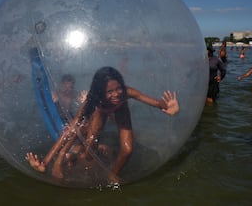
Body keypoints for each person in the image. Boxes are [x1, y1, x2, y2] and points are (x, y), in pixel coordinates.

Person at [26, 66, 179, 184]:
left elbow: (148, 99)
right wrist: (46, 162)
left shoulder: (126, 92)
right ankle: (60, 160)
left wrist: (165, 106)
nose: (116, 94)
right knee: (87, 141)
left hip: (121, 111)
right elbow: (73, 126)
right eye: (109, 91)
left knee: (127, 149)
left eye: (118, 88)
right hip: (100, 111)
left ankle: (112, 174)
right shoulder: (94, 98)